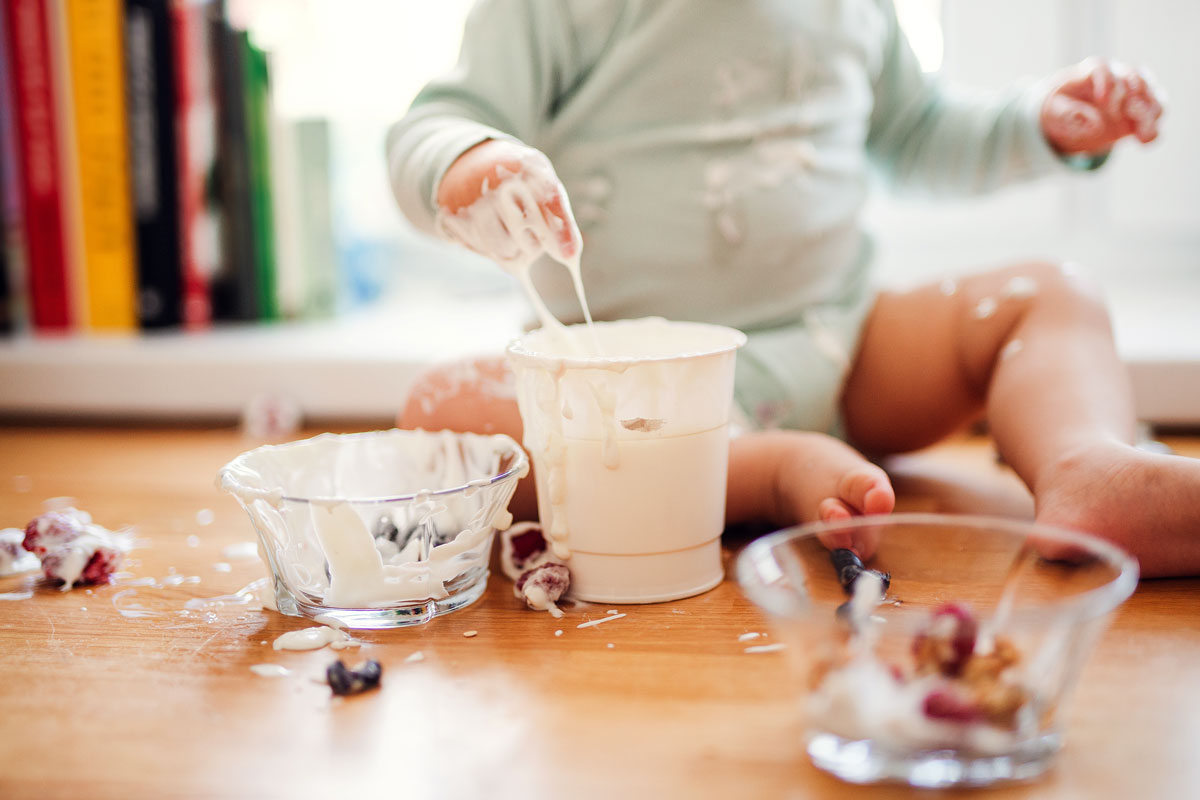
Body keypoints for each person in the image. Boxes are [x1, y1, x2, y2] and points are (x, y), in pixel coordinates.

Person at [386, 0, 1199, 577]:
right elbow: (434, 123)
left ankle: (1086, 468)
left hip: (840, 346)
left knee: (1053, 294)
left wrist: (1037, 124)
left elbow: (915, 134)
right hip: (624, 398)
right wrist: (471, 161)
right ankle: (768, 471)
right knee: (443, 410)